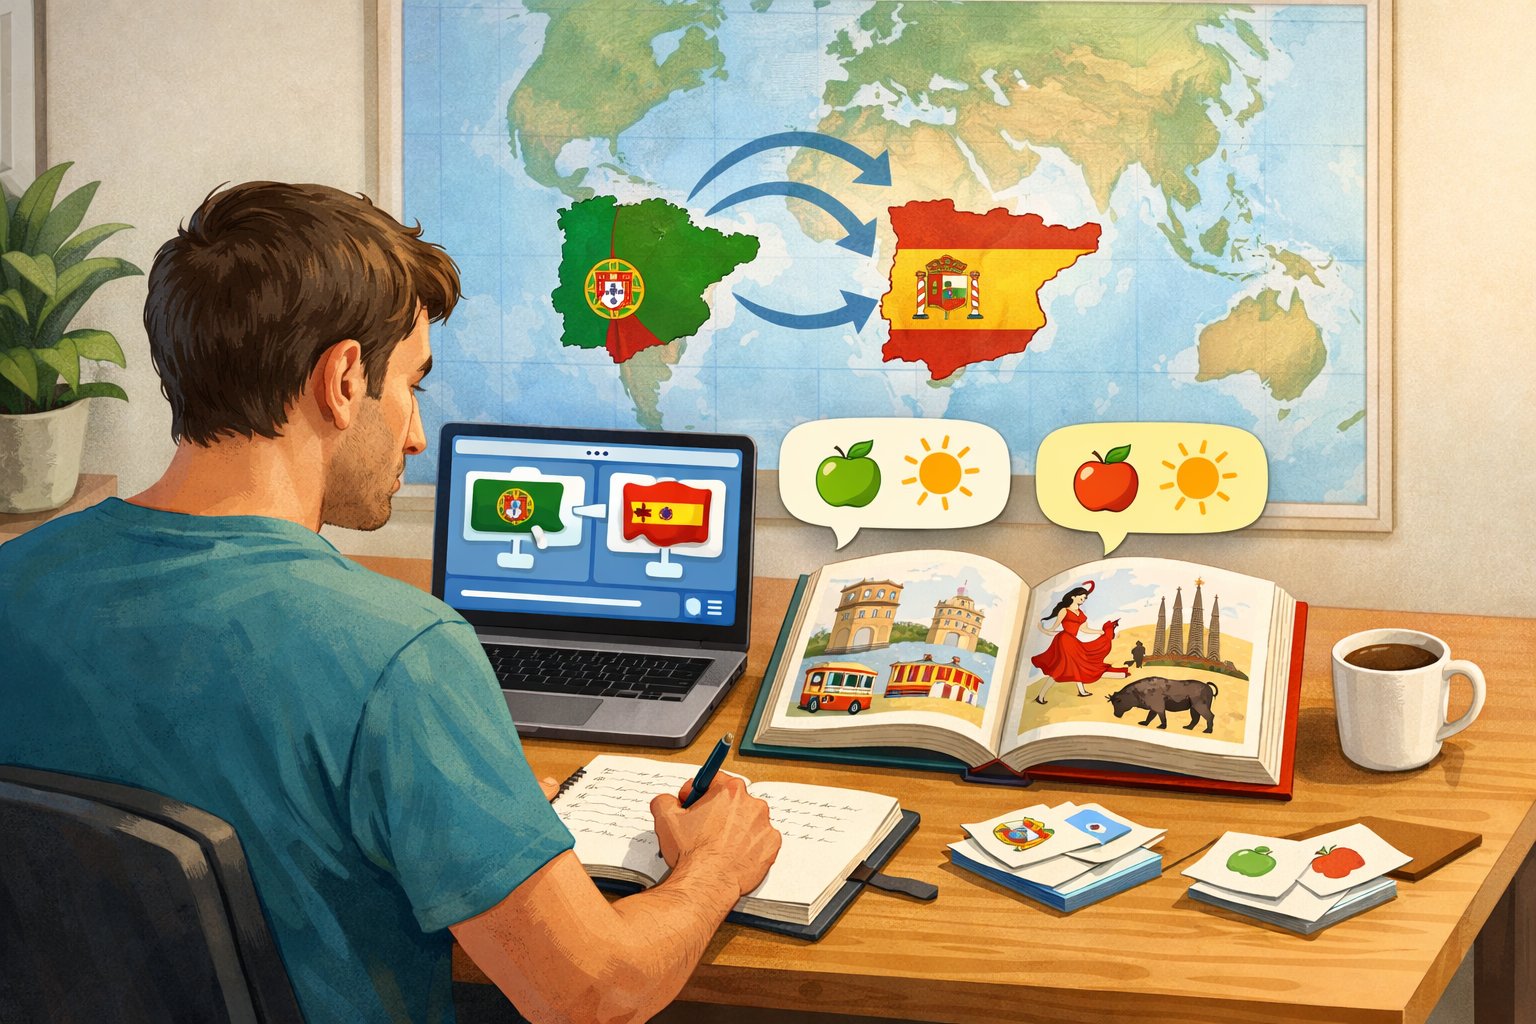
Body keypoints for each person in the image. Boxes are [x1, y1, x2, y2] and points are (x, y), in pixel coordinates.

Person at [0, 181, 781, 1024]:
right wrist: (715, 869)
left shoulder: (16, 584)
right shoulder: (397, 654)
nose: (414, 434)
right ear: (341, 380)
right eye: (412, 384)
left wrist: (480, 819)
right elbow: (595, 991)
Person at [1030, 581, 1129, 702]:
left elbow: (1084, 629)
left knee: (1077, 666)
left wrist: (1100, 632)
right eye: (1081, 598)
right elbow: (1054, 629)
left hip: (1073, 642)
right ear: (1073, 597)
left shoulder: (1081, 613)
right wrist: (1042, 629)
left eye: (1084, 599)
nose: (1083, 600)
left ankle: (1081, 691)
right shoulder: (1064, 611)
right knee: (1062, 668)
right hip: (1063, 642)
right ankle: (1041, 696)